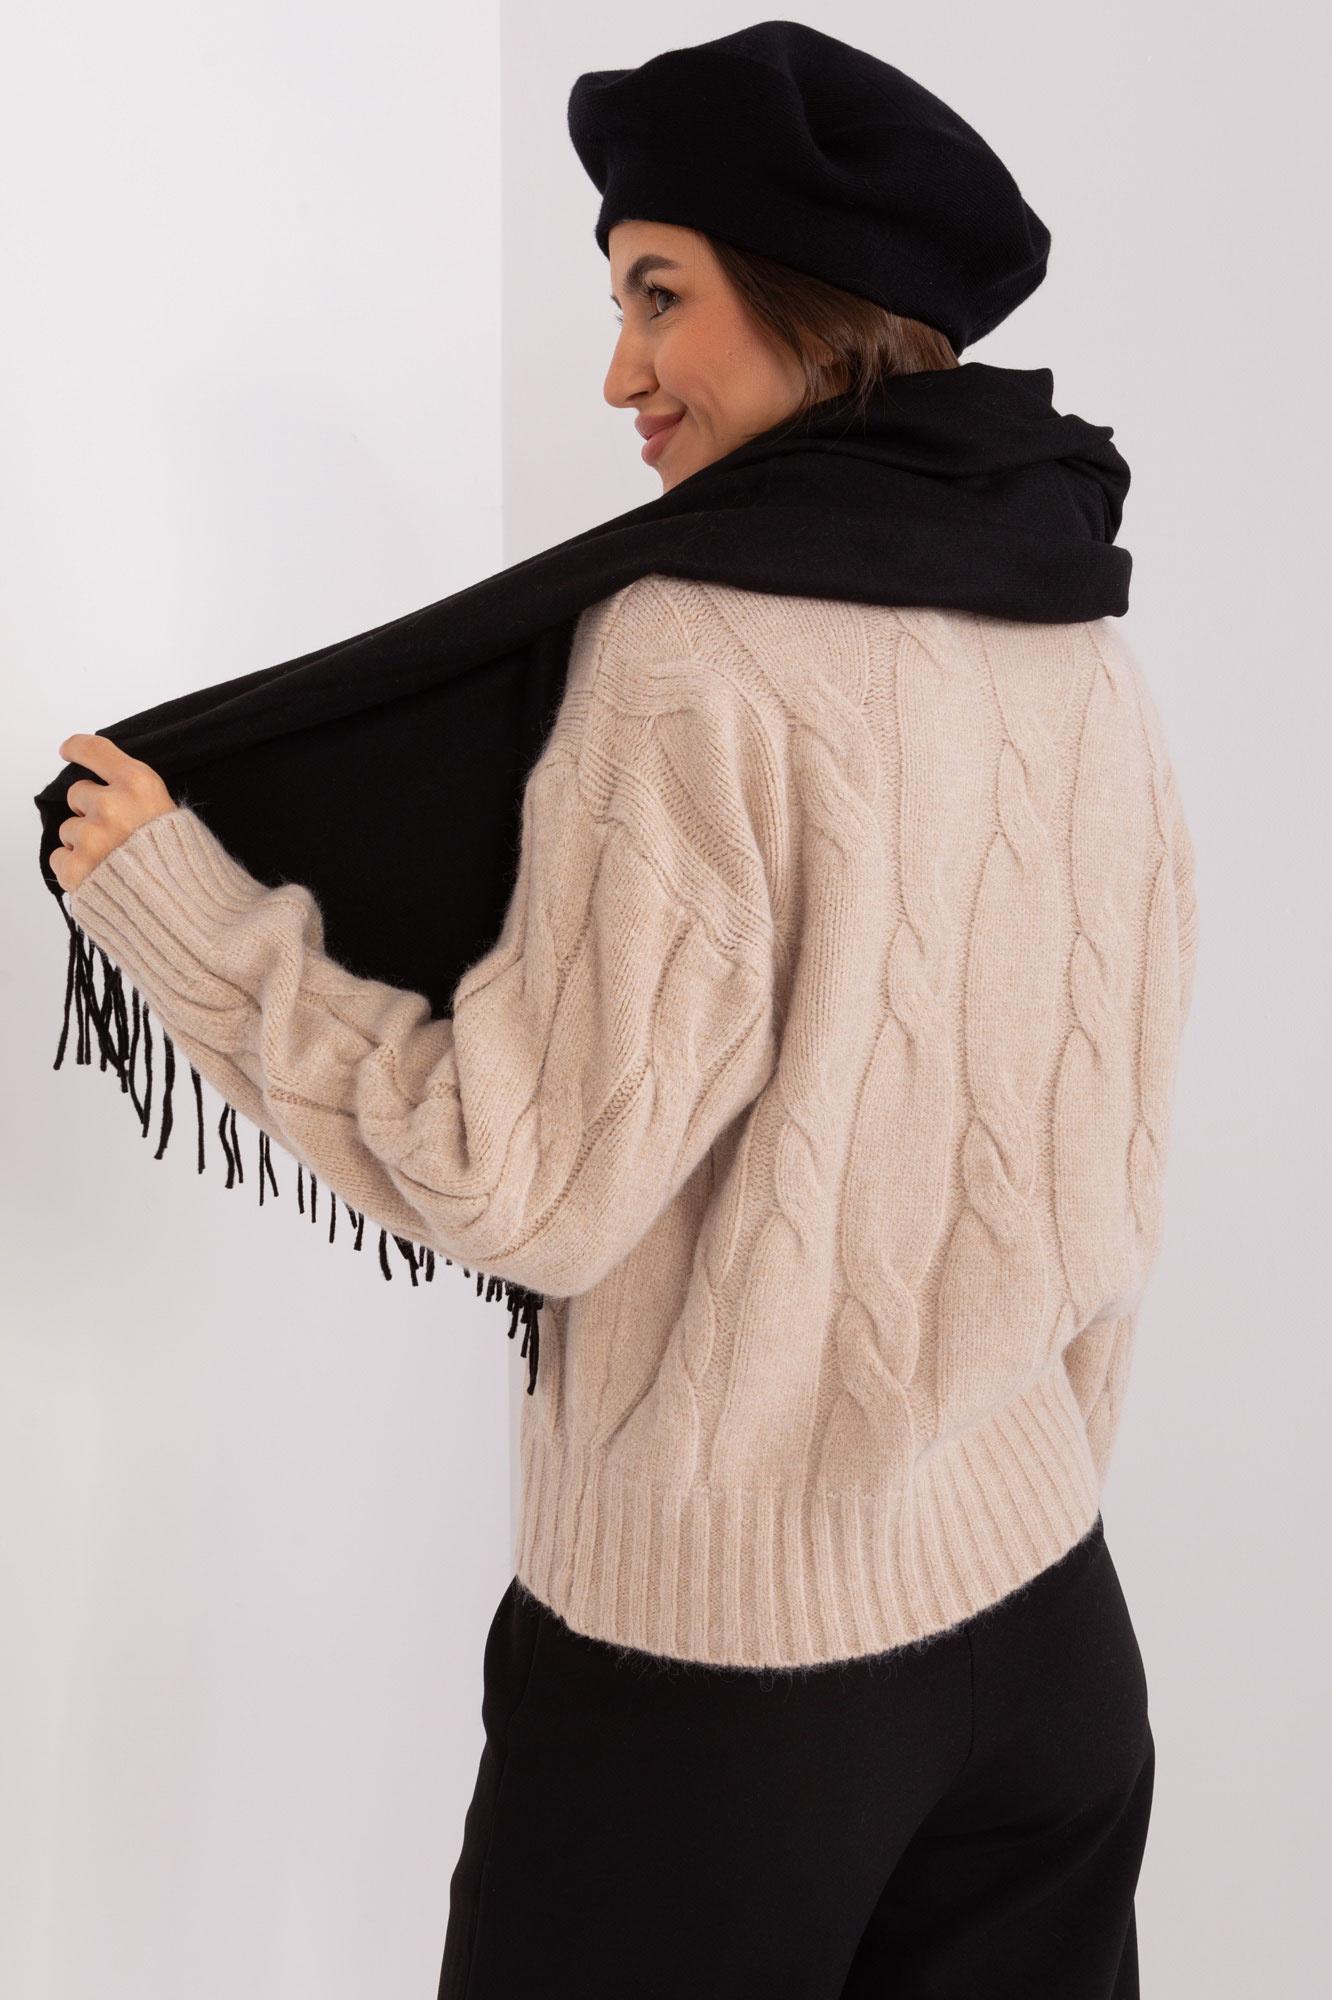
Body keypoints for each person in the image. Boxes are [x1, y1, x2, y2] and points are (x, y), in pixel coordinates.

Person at [46, 23, 1197, 2000]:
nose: (619, 373)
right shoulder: (1065, 613)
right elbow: (1122, 1148)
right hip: (1056, 1641)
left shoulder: (692, 650)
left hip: (726, 1689)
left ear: (812, 305)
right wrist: (1008, 1489)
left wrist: (191, 918)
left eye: (660, 293)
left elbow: (529, 1188)